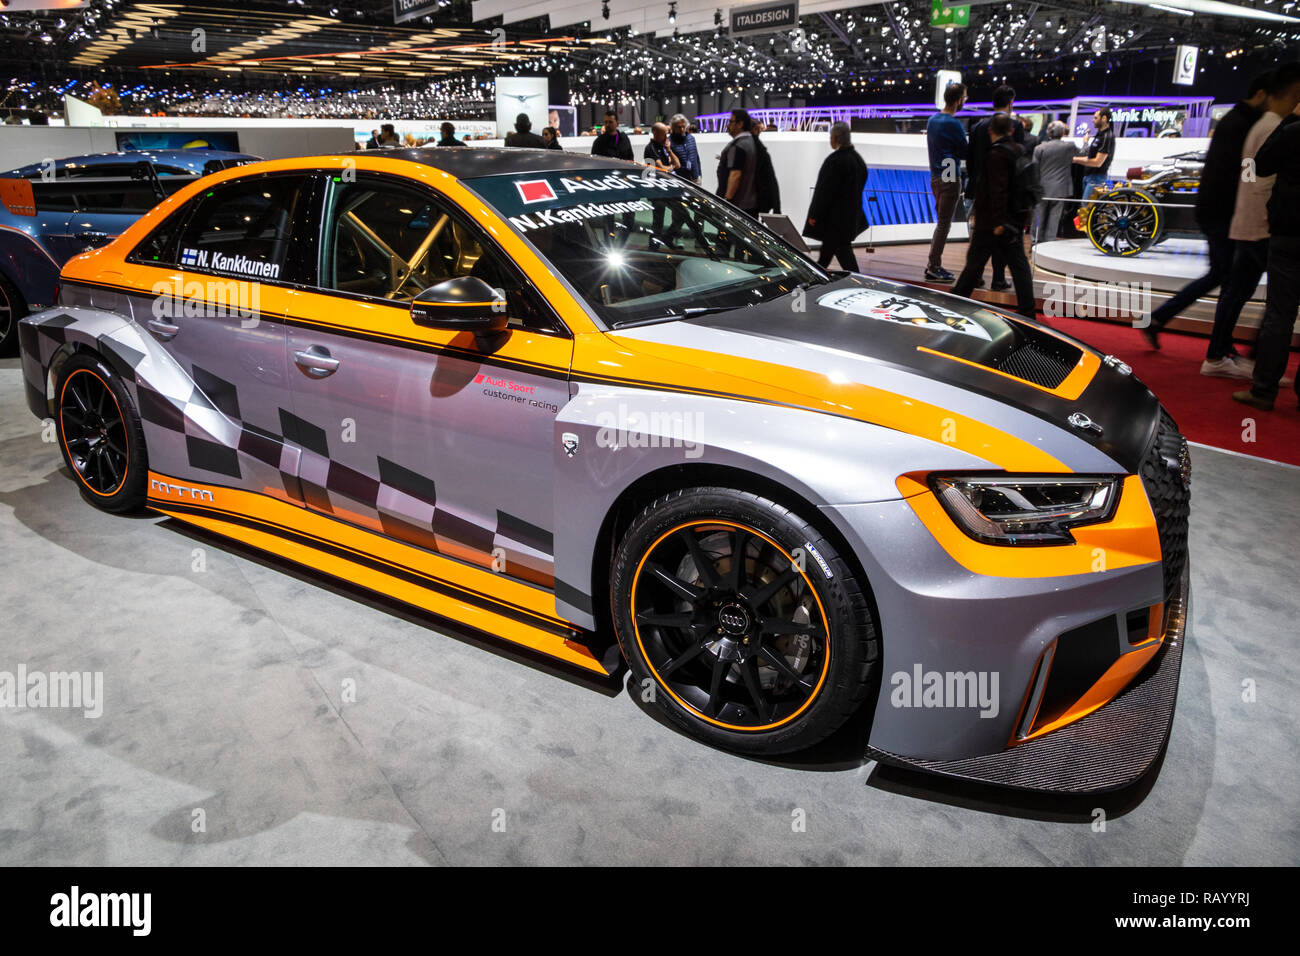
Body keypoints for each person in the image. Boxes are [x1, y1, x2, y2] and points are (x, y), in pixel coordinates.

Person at [1144, 71, 1271, 349]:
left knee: (1222, 275)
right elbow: (1246, 174)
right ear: (1262, 94)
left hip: (1220, 211)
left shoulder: (1236, 121)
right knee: (1229, 278)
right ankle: (1221, 347)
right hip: (1226, 213)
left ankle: (1162, 319)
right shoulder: (1245, 125)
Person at [1201, 63, 1300, 378]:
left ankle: (1227, 357)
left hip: (1253, 223)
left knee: (1240, 292)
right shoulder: (1274, 127)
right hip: (1262, 227)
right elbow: (1261, 179)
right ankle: (1248, 366)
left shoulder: (1264, 125)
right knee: (1270, 301)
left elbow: (1251, 176)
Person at [1235, 109, 1300, 410]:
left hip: (1289, 233)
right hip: (1287, 234)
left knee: (1279, 315)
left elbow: (1260, 164)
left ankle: (1263, 390)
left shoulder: (1292, 131)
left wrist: (1289, 119)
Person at [951, 113, 1036, 320]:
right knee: (1018, 264)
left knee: (975, 262)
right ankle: (1027, 308)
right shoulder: (1019, 151)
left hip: (992, 221)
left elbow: (998, 190)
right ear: (1010, 130)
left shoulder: (996, 154)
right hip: (1013, 219)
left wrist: (998, 221)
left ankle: (956, 300)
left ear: (990, 131)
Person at [965, 85, 1023, 291]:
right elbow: (1018, 163)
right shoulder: (1014, 125)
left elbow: (970, 162)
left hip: (980, 192)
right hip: (1004, 194)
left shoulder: (977, 127)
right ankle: (998, 279)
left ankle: (975, 278)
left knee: (979, 240)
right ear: (1010, 103)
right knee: (1003, 240)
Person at [802, 121, 869, 272]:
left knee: (840, 253)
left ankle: (855, 280)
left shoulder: (835, 161)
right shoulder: (858, 161)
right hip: (850, 217)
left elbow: (823, 192)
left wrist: (814, 215)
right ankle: (818, 276)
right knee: (829, 253)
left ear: (835, 138)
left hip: (834, 220)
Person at [924, 81, 968, 281]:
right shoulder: (954, 123)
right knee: (944, 224)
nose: (965, 101)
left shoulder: (932, 121)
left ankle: (933, 264)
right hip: (949, 175)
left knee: (941, 223)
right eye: (965, 97)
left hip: (935, 176)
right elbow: (963, 152)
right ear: (959, 100)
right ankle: (934, 266)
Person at [1032, 121, 1080, 243]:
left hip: (1042, 188)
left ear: (1048, 133)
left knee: (1038, 217)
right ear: (1062, 133)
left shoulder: (1039, 148)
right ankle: (1049, 244)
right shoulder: (1069, 146)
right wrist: (1085, 141)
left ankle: (1035, 242)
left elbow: (1035, 170)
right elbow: (1084, 152)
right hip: (1060, 188)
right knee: (1054, 218)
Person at [717, 108, 760, 216]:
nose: (727, 125)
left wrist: (727, 200)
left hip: (737, 206)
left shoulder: (738, 146)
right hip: (751, 205)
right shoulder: (753, 143)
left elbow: (735, 175)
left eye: (730, 122)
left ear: (740, 124)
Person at [1072, 107, 1115, 206]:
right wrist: (1086, 143)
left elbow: (1097, 162)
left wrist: (1074, 160)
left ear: (1104, 118)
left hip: (1096, 178)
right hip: (1089, 176)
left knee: (1087, 207)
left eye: (1095, 118)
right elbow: (1091, 156)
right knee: (1084, 207)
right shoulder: (1100, 135)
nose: (1093, 120)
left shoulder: (1107, 136)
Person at [752, 122, 781, 214]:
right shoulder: (759, 149)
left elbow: (771, 179)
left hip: (754, 203)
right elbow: (772, 180)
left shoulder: (758, 150)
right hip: (758, 202)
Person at [668, 113, 702, 182]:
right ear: (673, 127)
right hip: (680, 180)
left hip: (695, 178)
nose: (682, 129)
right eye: (679, 127)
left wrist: (699, 174)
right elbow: (669, 162)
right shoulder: (669, 141)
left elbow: (697, 158)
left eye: (683, 126)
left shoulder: (691, 138)